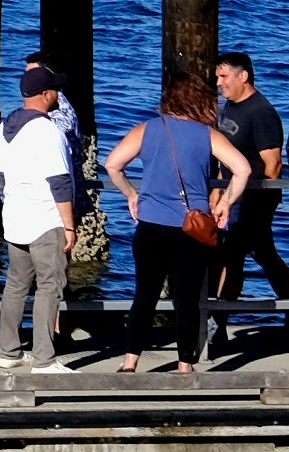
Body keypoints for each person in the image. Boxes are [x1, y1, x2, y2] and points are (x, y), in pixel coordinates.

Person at [103, 74, 249, 373]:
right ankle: (185, 365)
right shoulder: (207, 134)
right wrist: (224, 203)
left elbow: (112, 164)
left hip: (151, 225)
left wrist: (133, 195)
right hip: (190, 228)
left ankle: (130, 362)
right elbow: (243, 169)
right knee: (187, 299)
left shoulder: (148, 129)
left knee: (144, 295)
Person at [0, 65, 81, 371]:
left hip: (14, 217)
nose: (58, 93)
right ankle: (44, 358)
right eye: (55, 89)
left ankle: (9, 351)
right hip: (45, 219)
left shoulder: (3, 129)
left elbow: (0, 172)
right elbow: (60, 181)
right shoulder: (49, 130)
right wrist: (69, 225)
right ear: (45, 95)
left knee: (15, 285)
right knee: (50, 286)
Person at [208, 50, 289, 351]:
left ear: (243, 76)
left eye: (224, 77)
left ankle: (216, 323)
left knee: (234, 258)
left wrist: (261, 202)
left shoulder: (262, 112)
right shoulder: (229, 108)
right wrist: (218, 191)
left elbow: (273, 164)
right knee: (263, 256)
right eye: (218, 77)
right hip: (231, 195)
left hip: (254, 198)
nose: (219, 83)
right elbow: (224, 153)